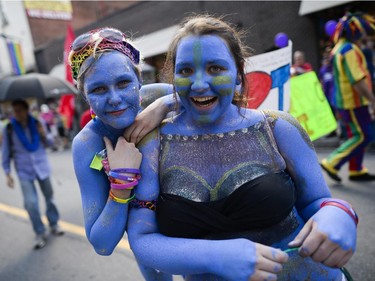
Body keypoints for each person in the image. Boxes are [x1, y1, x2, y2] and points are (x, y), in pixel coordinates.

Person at [125, 15, 357, 281]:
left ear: (238, 74)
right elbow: (143, 239)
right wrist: (215, 256)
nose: (200, 84)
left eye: (215, 68)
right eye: (186, 71)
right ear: (173, 76)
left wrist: (339, 213)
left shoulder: (277, 127)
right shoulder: (154, 144)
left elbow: (317, 201)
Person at [69, 27, 174, 280]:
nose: (115, 99)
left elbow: (219, 96)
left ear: (140, 81)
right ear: (85, 96)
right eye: (99, 90)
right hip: (147, 240)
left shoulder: (159, 96)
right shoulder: (87, 145)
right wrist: (121, 183)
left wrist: (164, 105)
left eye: (124, 83)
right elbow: (101, 244)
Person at [1, 99, 64, 250]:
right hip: (24, 170)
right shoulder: (9, 128)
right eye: (14, 111)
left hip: (42, 167)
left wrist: (43, 134)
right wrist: (7, 173)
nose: (16, 114)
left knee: (50, 198)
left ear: (26, 110)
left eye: (19, 110)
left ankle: (54, 224)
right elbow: (6, 152)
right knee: (31, 203)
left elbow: (50, 143)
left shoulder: (38, 122)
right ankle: (39, 232)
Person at [320, 12, 375, 182]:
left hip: (345, 102)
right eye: (360, 31)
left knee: (356, 135)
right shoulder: (349, 49)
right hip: (354, 102)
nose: (363, 35)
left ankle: (356, 169)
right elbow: (356, 79)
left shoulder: (339, 47)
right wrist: (373, 100)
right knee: (364, 136)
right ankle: (332, 162)